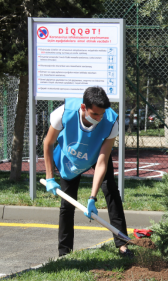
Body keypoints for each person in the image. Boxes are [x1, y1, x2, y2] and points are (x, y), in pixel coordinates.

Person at [43, 86, 133, 258]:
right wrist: (49, 178)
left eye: (102, 114)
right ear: (84, 108)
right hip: (69, 158)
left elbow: (101, 162)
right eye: (95, 114)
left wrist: (92, 198)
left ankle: (123, 244)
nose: (99, 119)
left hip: (95, 154)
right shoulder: (62, 114)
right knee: (67, 205)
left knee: (111, 190)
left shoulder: (111, 122)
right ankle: (64, 253)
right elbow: (48, 143)